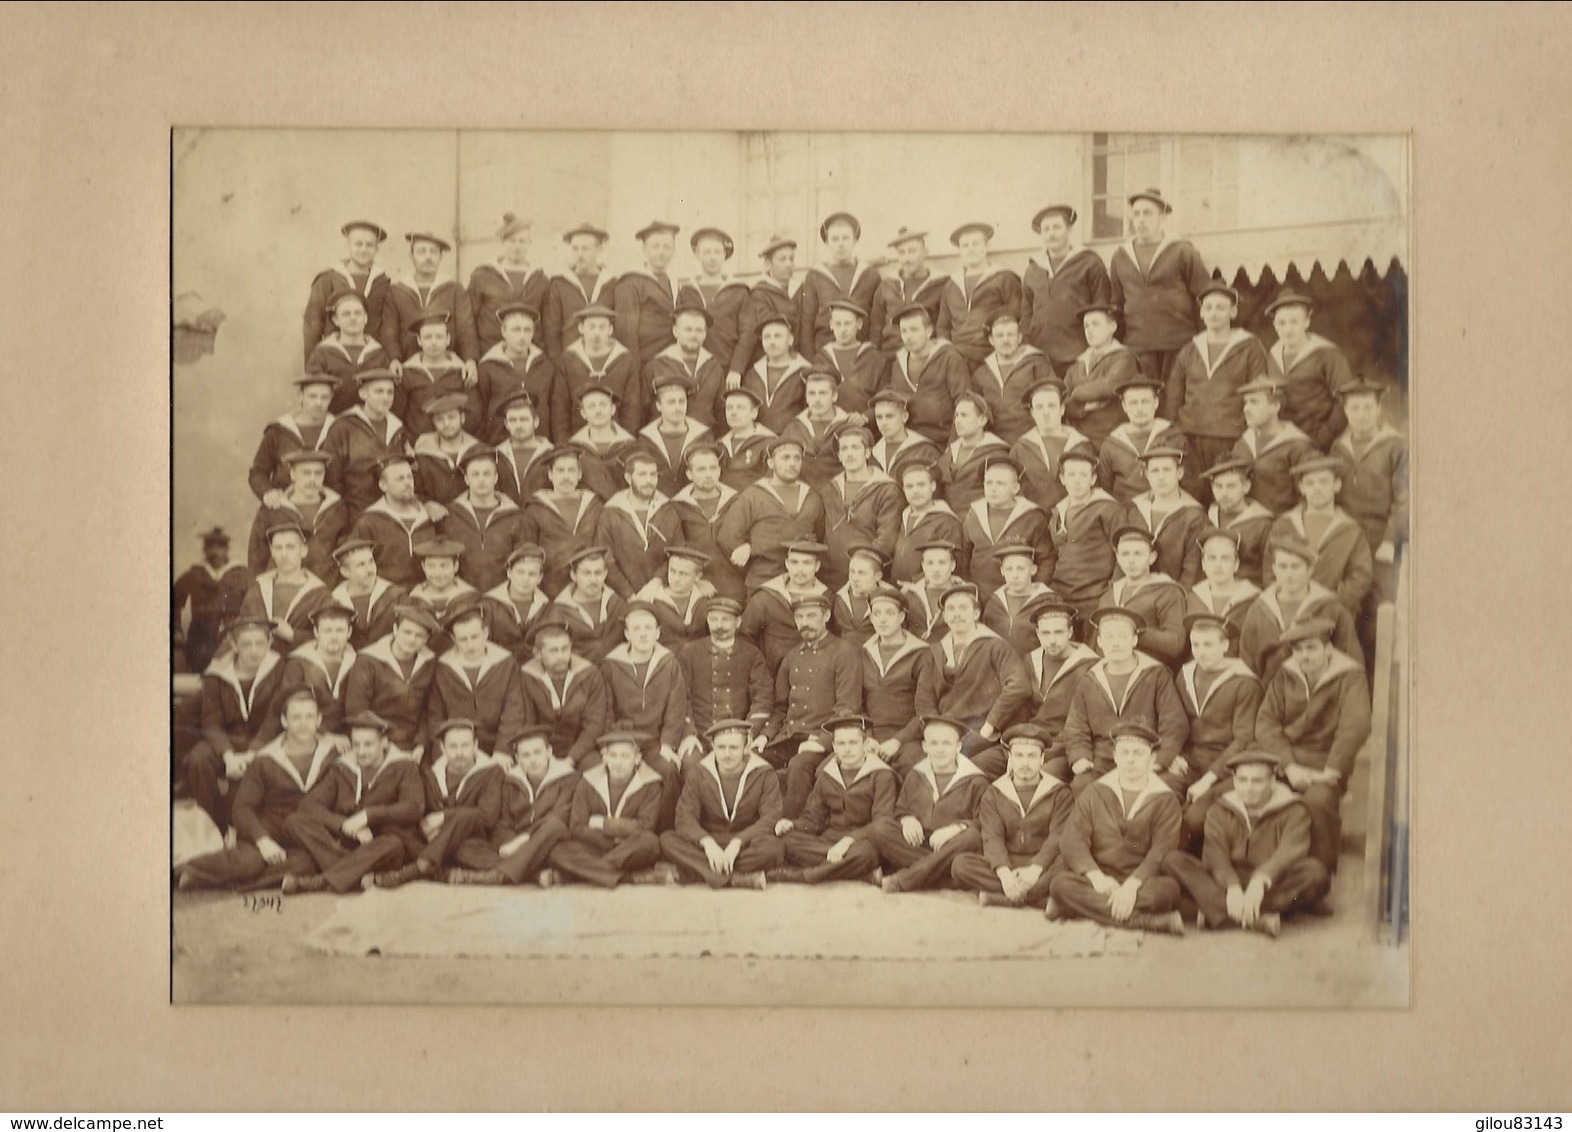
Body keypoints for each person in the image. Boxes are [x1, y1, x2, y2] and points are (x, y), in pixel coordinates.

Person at [177, 686, 337, 891]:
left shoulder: (331, 755)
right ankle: (191, 868)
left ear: (319, 720)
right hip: (267, 832)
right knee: (249, 862)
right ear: (284, 721)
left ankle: (228, 880)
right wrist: (263, 841)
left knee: (307, 863)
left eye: (309, 717)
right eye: (296, 717)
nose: (304, 724)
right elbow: (242, 809)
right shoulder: (265, 759)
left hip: (303, 836)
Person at [1163, 747, 1332, 935]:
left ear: (1273, 781)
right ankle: (1257, 919)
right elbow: (1215, 853)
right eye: (1242, 780)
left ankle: (1217, 913)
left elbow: (1289, 852)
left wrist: (1260, 880)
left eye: (1257, 781)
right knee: (1173, 859)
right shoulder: (1221, 809)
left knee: (1315, 872)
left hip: (1270, 883)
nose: (1249, 788)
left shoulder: (1293, 810)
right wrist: (1232, 886)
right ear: (1234, 781)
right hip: (1227, 880)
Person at [1255, 618, 1372, 875]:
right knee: (1251, 790)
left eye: (1311, 648)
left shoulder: (1350, 677)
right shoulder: (1285, 674)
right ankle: (1266, 873)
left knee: (1318, 801)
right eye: (1298, 650)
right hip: (1285, 759)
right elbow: (1265, 723)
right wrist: (1289, 767)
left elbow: (1355, 726)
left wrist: (1334, 768)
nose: (1303, 656)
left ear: (1328, 649)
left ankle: (1319, 876)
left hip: (1324, 762)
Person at [1047, 721, 1185, 935]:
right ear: (1115, 756)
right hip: (1101, 879)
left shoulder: (1165, 799)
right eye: (1125, 752)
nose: (1130, 759)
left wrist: (1131, 887)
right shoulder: (1095, 791)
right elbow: (1072, 839)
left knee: (1169, 891)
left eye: (1138, 753)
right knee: (1060, 884)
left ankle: (1075, 910)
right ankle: (1147, 922)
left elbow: (1162, 850)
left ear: (1152, 759)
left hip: (1142, 881)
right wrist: (1096, 877)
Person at [281, 710, 427, 895]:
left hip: (381, 845)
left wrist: (368, 816)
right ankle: (355, 873)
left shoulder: (404, 767)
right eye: (356, 744)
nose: (361, 751)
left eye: (368, 744)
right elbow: (309, 806)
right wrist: (343, 825)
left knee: (393, 843)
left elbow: (413, 808)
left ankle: (319, 881)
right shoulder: (342, 768)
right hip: (350, 842)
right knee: (295, 821)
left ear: (384, 742)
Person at [1106, 188, 1211, 419]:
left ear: (1162, 217)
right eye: (1136, 214)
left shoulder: (1182, 251)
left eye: (1148, 213)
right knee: (1144, 407)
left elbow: (1204, 296)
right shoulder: (1120, 257)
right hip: (1139, 346)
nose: (1140, 220)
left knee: (1174, 405)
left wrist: (1202, 339)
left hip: (1178, 343)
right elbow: (1116, 303)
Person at [1060, 607, 1188, 794]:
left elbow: (1175, 724)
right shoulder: (1090, 679)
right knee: (1082, 787)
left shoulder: (1155, 674)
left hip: (1145, 757)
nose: (1116, 643)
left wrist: (1162, 759)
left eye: (1122, 636)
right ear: (1100, 642)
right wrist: (1080, 756)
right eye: (1109, 637)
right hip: (1103, 759)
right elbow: (1076, 726)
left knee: (1163, 790)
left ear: (1134, 640)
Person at [758, 593, 864, 819]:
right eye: (799, 617)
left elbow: (848, 708)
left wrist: (824, 741)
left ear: (826, 616)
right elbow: (780, 707)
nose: (804, 622)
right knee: (754, 761)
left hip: (820, 737)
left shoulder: (845, 652)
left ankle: (792, 826)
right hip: (790, 736)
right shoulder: (792, 656)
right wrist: (765, 736)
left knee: (799, 765)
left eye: (811, 616)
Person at [911, 584, 1032, 778]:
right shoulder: (936, 651)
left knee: (964, 773)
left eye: (963, 608)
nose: (956, 614)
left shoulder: (995, 646)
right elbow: (924, 699)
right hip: (947, 734)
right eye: (950, 609)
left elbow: (1019, 686)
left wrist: (990, 726)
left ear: (976, 613)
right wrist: (936, 733)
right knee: (916, 769)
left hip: (984, 736)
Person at [182, 615, 287, 836]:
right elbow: (211, 721)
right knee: (198, 759)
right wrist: (228, 755)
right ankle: (217, 826)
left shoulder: (279, 668)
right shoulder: (216, 675)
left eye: (260, 643)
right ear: (233, 644)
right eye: (246, 644)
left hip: (265, 741)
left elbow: (274, 717)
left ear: (269, 643)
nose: (254, 651)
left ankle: (249, 830)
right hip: (227, 742)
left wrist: (253, 753)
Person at [951, 723, 1074, 908]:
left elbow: (1057, 837)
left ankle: (997, 897)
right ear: (1010, 758)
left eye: (1032, 756)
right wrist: (1005, 876)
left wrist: (1034, 870)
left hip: (1043, 862)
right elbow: (992, 838)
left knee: (1067, 865)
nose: (1025, 763)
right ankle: (1038, 899)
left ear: (1042, 759)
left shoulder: (1060, 792)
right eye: (1019, 755)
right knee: (961, 865)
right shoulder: (994, 792)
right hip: (1007, 860)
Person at [373, 719, 505, 889]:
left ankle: (419, 868)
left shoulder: (492, 772)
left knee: (465, 815)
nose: (459, 753)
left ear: (475, 746)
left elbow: (488, 816)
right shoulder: (431, 775)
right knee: (395, 826)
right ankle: (442, 872)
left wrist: (444, 817)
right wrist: (428, 831)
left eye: (465, 746)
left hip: (472, 842)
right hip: (436, 842)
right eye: (453, 746)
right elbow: (421, 813)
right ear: (442, 748)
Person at [441, 725, 578, 887]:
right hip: (517, 847)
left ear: (549, 752)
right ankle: (533, 875)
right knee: (464, 847)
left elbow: (560, 817)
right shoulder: (510, 781)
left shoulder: (568, 779)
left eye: (537, 752)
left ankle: (497, 876)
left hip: (549, 843)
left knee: (555, 827)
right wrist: (509, 843)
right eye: (525, 755)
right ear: (518, 758)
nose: (533, 760)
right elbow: (502, 823)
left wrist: (521, 842)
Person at [660, 719, 786, 890]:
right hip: (710, 839)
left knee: (774, 848)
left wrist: (738, 842)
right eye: (721, 747)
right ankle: (736, 879)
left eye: (734, 748)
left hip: (746, 842)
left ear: (746, 747)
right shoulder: (699, 772)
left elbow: (771, 818)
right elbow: (684, 817)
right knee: (667, 840)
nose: (727, 754)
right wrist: (707, 843)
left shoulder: (764, 772)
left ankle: (699, 872)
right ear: (712, 746)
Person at [771, 714, 897, 886]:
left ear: (866, 745)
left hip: (862, 841)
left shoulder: (881, 775)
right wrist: (792, 825)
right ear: (834, 747)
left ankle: (802, 876)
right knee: (784, 840)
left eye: (853, 743)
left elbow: (881, 823)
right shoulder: (828, 774)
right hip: (828, 841)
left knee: (867, 855)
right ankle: (855, 873)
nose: (847, 749)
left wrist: (847, 842)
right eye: (841, 744)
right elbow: (813, 819)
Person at [1173, 612, 1264, 844]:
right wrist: (1173, 756)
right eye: (1196, 644)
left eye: (1208, 644)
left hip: (1226, 767)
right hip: (1188, 762)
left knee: (1194, 818)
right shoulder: (1185, 675)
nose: (1201, 651)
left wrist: (1208, 780)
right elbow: (1173, 721)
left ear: (1225, 645)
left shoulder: (1244, 682)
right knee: (1156, 798)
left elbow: (1243, 739)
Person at [1171, 281, 1269, 492]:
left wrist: (1248, 433)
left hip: (1231, 437)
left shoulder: (1250, 347)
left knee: (1228, 495)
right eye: (1208, 307)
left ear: (1233, 312)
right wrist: (1177, 433)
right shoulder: (1189, 350)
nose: (1214, 313)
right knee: (1195, 495)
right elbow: (1173, 397)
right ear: (1202, 313)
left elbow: (1259, 394)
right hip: (1191, 438)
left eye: (1221, 307)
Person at [874, 715, 989, 893]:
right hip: (918, 844)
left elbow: (982, 822)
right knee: (881, 828)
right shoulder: (916, 773)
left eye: (946, 743)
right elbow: (901, 809)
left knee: (971, 837)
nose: (939, 750)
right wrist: (907, 820)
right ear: (924, 746)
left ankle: (906, 879)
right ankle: (942, 876)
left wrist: (956, 828)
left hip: (952, 845)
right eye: (933, 743)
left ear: (958, 746)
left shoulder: (976, 780)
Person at [600, 602, 689, 826]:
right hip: (623, 741)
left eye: (648, 628)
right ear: (627, 634)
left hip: (654, 742)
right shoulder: (611, 666)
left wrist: (668, 744)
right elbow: (605, 709)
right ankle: (625, 830)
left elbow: (676, 707)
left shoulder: (668, 663)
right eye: (637, 629)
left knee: (668, 770)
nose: (643, 634)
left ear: (658, 632)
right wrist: (610, 746)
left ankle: (664, 831)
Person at [550, 726, 670, 888]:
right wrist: (611, 842)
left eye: (625, 756)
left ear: (637, 759)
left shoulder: (650, 783)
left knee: (650, 843)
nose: (618, 762)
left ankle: (585, 873)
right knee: (559, 851)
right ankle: (629, 878)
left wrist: (603, 824)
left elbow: (645, 826)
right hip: (596, 845)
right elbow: (577, 826)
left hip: (630, 847)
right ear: (604, 758)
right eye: (613, 756)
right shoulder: (588, 781)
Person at [1238, 535, 1362, 682]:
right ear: (1274, 569)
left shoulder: (1331, 609)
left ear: (1309, 570)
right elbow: (1247, 666)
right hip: (1269, 698)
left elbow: (1350, 662)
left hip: (1318, 697)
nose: (1289, 575)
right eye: (1283, 566)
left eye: (1295, 567)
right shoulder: (1258, 610)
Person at [1265, 455, 1374, 616]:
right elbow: (1269, 568)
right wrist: (1286, 597)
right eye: (1310, 483)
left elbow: (1360, 577)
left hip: (1333, 610)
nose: (1317, 488)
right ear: (1301, 487)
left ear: (1337, 485)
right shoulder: (1285, 524)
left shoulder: (1350, 530)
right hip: (1289, 607)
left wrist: (1331, 601)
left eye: (1323, 482)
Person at [716, 437, 826, 593]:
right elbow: (727, 537)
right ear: (770, 463)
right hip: (763, 579)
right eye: (785, 458)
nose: (792, 463)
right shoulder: (753, 495)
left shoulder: (812, 497)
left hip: (803, 582)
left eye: (797, 458)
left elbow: (819, 536)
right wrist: (750, 550)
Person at [1020, 204, 1112, 377]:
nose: (1051, 233)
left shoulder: (1089, 263)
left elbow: (1102, 307)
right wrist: (1028, 347)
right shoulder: (1033, 269)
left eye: (1057, 227)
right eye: (1046, 229)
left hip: (1078, 354)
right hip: (1042, 355)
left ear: (1069, 230)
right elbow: (1026, 314)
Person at [675, 597, 774, 758]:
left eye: (726, 620)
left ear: (738, 622)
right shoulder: (689, 653)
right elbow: (679, 698)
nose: (719, 625)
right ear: (707, 621)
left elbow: (763, 699)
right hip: (700, 736)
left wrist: (749, 732)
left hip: (737, 736)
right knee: (691, 764)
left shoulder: (752, 654)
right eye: (714, 619)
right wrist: (689, 734)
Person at [426, 603, 526, 759]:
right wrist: (442, 754)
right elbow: (435, 717)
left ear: (485, 633)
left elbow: (514, 711)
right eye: (463, 639)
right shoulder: (442, 667)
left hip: (497, 745)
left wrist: (503, 750)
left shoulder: (506, 663)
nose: (470, 645)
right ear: (453, 638)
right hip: (457, 748)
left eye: (475, 637)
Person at [342, 604, 441, 761]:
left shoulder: (430, 663)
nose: (411, 639)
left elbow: (430, 710)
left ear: (427, 639)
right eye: (407, 632)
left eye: (419, 635)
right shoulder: (368, 661)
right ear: (395, 629)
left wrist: (421, 744)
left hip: (414, 744)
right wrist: (383, 744)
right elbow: (357, 711)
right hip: (375, 743)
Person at [255, 602, 357, 745]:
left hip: (348, 739)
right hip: (306, 734)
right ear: (316, 632)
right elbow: (285, 706)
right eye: (327, 631)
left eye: (340, 630)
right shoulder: (298, 663)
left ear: (349, 632)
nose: (334, 637)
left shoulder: (358, 663)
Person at [1264, 289, 1353, 451]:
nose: (1288, 329)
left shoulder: (1326, 354)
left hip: (1321, 441)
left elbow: (1346, 399)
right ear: (1274, 325)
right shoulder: (1273, 355)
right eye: (1282, 323)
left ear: (1306, 322)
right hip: (1285, 441)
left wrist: (1323, 438)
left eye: (1294, 322)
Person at [518, 617, 611, 771]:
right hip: (542, 751)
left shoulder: (589, 675)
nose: (561, 656)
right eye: (553, 651)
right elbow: (528, 722)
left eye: (564, 649)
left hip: (580, 750)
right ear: (537, 653)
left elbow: (594, 725)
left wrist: (571, 759)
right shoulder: (526, 677)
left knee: (597, 771)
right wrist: (546, 757)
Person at [1042, 447, 1123, 624]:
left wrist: (1112, 591)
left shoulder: (1108, 509)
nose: (1077, 481)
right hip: (1063, 595)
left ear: (1093, 479)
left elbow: (1123, 551)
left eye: (1083, 475)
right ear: (1063, 479)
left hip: (1095, 596)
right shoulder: (1058, 511)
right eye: (1071, 475)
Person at [384, 230, 478, 381]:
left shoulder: (454, 289)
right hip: (407, 367)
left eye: (433, 252)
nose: (428, 257)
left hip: (445, 366)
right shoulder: (396, 291)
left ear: (440, 257)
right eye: (421, 251)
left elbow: (466, 328)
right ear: (411, 256)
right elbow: (390, 330)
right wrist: (394, 358)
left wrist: (470, 360)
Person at [594, 447, 688, 598]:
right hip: (622, 597)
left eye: (653, 475)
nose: (649, 481)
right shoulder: (611, 513)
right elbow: (606, 559)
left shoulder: (668, 511)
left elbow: (678, 552)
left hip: (661, 593)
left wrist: (657, 582)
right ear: (628, 478)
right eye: (642, 474)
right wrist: (628, 595)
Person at [321, 368, 412, 520]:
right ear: (363, 394)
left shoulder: (398, 428)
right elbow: (332, 478)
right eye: (379, 391)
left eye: (390, 392)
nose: (385, 397)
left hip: (393, 511)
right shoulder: (343, 427)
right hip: (357, 511)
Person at [247, 450, 348, 586]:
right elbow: (256, 559)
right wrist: (259, 595)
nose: (312, 479)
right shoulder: (274, 508)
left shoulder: (337, 508)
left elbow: (345, 554)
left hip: (324, 591)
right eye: (306, 473)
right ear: (293, 474)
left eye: (318, 473)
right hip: (282, 590)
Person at [438, 448, 530, 594]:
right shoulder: (450, 514)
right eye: (475, 474)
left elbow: (522, 562)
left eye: (487, 474)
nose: (481, 480)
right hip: (461, 595)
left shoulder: (515, 516)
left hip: (501, 597)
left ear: (496, 478)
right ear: (467, 479)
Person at [820, 426, 901, 592]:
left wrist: (862, 572)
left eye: (855, 447)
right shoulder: (829, 489)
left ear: (867, 453)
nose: (849, 454)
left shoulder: (887, 489)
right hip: (830, 576)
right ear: (839, 456)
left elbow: (886, 539)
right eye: (844, 448)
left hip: (865, 578)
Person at [860, 588, 935, 765]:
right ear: (871, 619)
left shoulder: (921, 654)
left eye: (889, 613)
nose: (882, 619)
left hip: (907, 737)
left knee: (911, 765)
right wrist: (867, 738)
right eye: (877, 614)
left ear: (901, 617)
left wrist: (898, 740)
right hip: (869, 737)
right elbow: (855, 703)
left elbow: (926, 710)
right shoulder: (863, 653)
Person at [302, 219, 392, 365]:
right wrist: (313, 368)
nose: (363, 249)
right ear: (347, 245)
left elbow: (388, 327)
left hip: (371, 358)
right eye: (358, 244)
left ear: (376, 249)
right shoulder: (328, 279)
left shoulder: (383, 282)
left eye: (369, 245)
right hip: (335, 357)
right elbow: (313, 325)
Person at [960, 454, 1048, 600]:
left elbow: (1046, 559)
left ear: (1015, 488)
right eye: (989, 483)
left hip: (1018, 594)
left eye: (1000, 483)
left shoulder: (1032, 516)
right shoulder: (974, 514)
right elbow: (964, 555)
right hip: (979, 593)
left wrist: (1033, 592)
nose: (993, 488)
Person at [1018, 599, 1099, 758]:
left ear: (1070, 632)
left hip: (1063, 745)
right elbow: (1020, 709)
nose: (1052, 640)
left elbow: (1084, 725)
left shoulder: (1090, 665)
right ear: (1038, 634)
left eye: (1058, 632)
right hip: (1027, 741)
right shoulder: (1030, 660)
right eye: (1046, 633)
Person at [1230, 378, 1322, 516]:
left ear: (1275, 407)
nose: (1246, 409)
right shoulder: (1242, 446)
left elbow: (1309, 498)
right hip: (1251, 525)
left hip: (1284, 526)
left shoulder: (1298, 446)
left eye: (1254, 402)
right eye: (1246, 402)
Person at [676, 228, 750, 399]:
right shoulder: (687, 291)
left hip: (727, 368)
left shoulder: (739, 291)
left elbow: (747, 333)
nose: (712, 257)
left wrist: (736, 369)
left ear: (725, 254)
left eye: (717, 252)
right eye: (707, 252)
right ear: (697, 254)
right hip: (695, 367)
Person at [735, 540, 831, 671]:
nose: (800, 569)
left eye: (807, 563)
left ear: (817, 566)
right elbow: (744, 638)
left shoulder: (828, 598)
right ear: (786, 564)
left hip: (815, 674)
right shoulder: (765, 598)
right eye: (794, 562)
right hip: (772, 675)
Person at [239, 521, 333, 654]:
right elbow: (240, 629)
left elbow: (331, 638)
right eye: (278, 547)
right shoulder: (258, 590)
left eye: (290, 547)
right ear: (272, 551)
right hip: (260, 664)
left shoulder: (320, 594)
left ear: (303, 550)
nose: (284, 554)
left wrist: (293, 635)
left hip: (300, 666)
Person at [937, 221, 1022, 366]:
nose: (970, 249)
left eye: (975, 244)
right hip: (958, 357)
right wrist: (948, 354)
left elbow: (1019, 318)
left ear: (987, 246)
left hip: (993, 355)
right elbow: (943, 327)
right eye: (965, 245)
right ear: (960, 250)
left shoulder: (1004, 279)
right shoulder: (951, 285)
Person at [476, 303, 563, 444]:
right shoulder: (487, 367)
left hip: (539, 444)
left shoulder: (545, 366)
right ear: (504, 331)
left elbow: (555, 408)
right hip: (500, 443)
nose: (522, 336)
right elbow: (482, 409)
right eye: (516, 330)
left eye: (527, 330)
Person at [670, 441, 746, 602]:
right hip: (697, 588)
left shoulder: (737, 500)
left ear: (719, 471)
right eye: (701, 469)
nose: (708, 474)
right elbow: (676, 550)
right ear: (689, 474)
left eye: (713, 468)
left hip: (735, 584)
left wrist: (748, 546)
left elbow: (753, 532)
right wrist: (696, 581)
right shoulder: (677, 506)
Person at [797, 211, 881, 356]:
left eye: (845, 238)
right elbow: (807, 321)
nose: (840, 244)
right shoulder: (815, 276)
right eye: (835, 239)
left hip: (862, 352)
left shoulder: (870, 274)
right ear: (827, 242)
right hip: (825, 352)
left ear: (854, 240)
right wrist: (810, 359)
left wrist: (872, 354)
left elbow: (877, 321)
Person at [524, 446, 604, 599]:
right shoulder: (535, 509)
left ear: (579, 474)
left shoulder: (594, 506)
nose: (566, 477)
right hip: (550, 588)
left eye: (571, 470)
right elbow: (528, 553)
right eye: (560, 471)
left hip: (588, 587)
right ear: (550, 474)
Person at [348, 455, 438, 588]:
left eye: (410, 477)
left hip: (427, 594)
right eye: (400, 479)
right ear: (383, 485)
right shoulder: (369, 522)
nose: (408, 483)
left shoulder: (431, 517)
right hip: (388, 598)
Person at [1124, 447, 1208, 587]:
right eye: (1155, 471)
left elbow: (1192, 572)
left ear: (1179, 473)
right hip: (1137, 593)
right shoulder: (1136, 512)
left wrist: (1177, 598)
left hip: (1174, 596)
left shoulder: (1194, 516)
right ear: (1147, 475)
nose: (1161, 477)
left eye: (1167, 470)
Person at [887, 303, 970, 445]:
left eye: (914, 330)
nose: (908, 336)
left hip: (943, 440)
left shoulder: (949, 358)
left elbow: (963, 403)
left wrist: (953, 448)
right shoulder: (898, 363)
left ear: (929, 330)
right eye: (904, 331)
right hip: (910, 441)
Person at [1099, 373, 1188, 505]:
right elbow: (1105, 487)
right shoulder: (1111, 444)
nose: (1139, 409)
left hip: (1167, 510)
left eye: (1145, 402)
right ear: (1124, 406)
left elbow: (1191, 485)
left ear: (1156, 403)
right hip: (1125, 514)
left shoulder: (1174, 438)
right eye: (1133, 403)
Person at [306, 289, 396, 417]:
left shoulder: (379, 354)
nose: (353, 318)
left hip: (369, 422)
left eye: (358, 313)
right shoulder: (322, 353)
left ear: (365, 318)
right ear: (336, 320)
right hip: (333, 420)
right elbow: (315, 391)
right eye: (346, 314)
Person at [469, 213, 549, 357]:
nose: (517, 246)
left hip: (528, 356)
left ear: (530, 243)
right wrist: (472, 357)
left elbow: (547, 323)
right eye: (512, 241)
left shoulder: (540, 278)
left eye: (522, 241)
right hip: (489, 353)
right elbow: (470, 321)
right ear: (503, 241)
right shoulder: (482, 275)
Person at [1063, 301, 1141, 448]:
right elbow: (1061, 400)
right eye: (1086, 326)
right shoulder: (1079, 363)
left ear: (1113, 327)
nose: (1090, 330)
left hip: (1112, 438)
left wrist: (1076, 393)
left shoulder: (1124, 357)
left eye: (1095, 324)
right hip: (1081, 439)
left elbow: (1109, 386)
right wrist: (1082, 408)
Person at [173, 527, 250, 673]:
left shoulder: (241, 575)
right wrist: (176, 629)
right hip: (200, 641)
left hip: (232, 638)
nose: (215, 552)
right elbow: (173, 601)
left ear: (226, 550)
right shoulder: (194, 574)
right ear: (204, 550)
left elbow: (254, 604)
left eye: (220, 547)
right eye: (210, 547)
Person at [249, 374, 337, 500]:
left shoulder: (340, 429)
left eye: (324, 397)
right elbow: (258, 472)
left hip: (329, 509)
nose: (318, 403)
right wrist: (267, 492)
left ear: (331, 398)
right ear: (300, 396)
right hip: (286, 505)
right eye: (312, 396)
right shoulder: (278, 431)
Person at [558, 305, 643, 436]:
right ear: (581, 328)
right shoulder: (568, 359)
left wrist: (625, 441)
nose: (596, 333)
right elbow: (560, 406)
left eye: (602, 327)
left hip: (615, 440)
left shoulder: (625, 360)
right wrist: (565, 447)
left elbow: (631, 407)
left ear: (610, 329)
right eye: (591, 327)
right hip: (577, 439)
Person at [1011, 378, 1092, 513]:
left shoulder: (1081, 445)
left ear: (1062, 409)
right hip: (1034, 520)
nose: (1046, 412)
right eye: (1039, 407)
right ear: (1032, 413)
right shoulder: (1021, 448)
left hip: (1073, 518)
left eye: (1051, 406)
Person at [972, 311, 1052, 444]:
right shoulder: (981, 373)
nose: (1005, 340)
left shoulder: (1036, 365)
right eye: (999, 335)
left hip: (1031, 440)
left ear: (1020, 337)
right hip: (994, 441)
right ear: (991, 340)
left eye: (1010, 335)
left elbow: (1051, 402)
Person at [645, 308, 726, 437]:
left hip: (704, 442)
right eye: (688, 329)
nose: (694, 335)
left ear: (705, 334)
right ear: (675, 331)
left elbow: (721, 412)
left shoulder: (714, 366)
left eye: (699, 330)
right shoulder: (656, 365)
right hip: (666, 442)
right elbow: (642, 411)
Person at [543, 221, 616, 362]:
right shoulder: (559, 283)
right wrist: (558, 364)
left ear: (599, 249)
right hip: (570, 360)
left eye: (585, 249)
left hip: (603, 359)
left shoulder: (612, 283)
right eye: (575, 249)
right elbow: (551, 330)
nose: (579, 254)